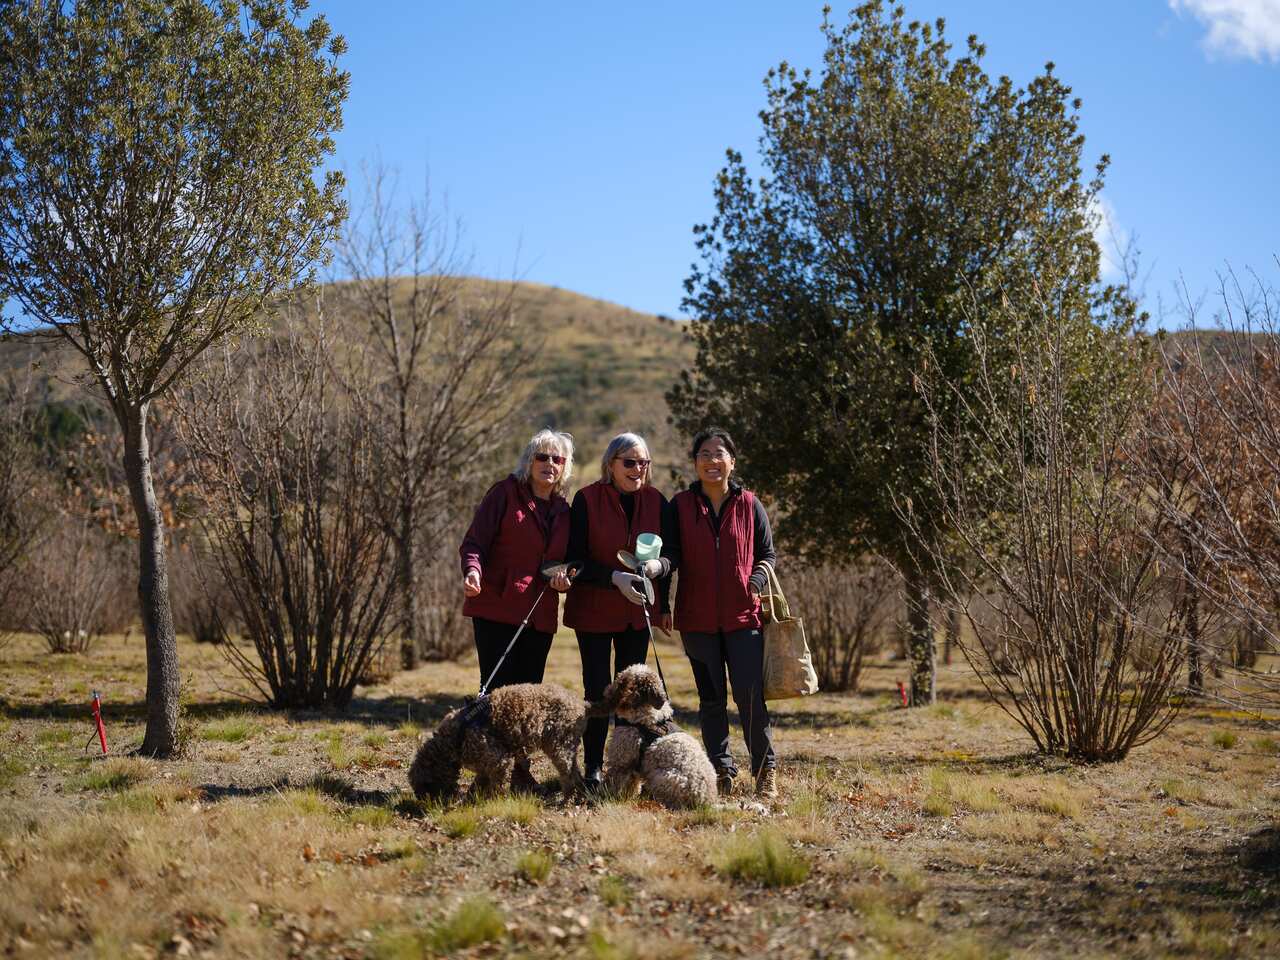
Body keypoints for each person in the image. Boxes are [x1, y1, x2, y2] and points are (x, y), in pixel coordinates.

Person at [663, 426, 778, 799]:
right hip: (696, 620)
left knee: (749, 697)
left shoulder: (750, 504)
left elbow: (767, 554)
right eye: (704, 454)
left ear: (732, 461)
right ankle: (721, 771)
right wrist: (662, 604)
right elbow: (670, 556)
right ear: (695, 462)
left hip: (743, 618)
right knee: (711, 701)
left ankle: (765, 771)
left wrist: (755, 582)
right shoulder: (680, 506)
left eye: (719, 454)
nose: (712, 460)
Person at [459, 429, 574, 793]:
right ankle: (489, 773)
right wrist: (472, 571)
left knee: (528, 698)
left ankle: (519, 772)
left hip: (539, 614)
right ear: (529, 461)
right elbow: (474, 541)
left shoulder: (564, 510)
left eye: (557, 459)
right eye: (543, 457)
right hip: (497, 607)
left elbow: (569, 560)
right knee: (496, 694)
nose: (550, 464)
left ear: (565, 466)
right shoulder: (504, 494)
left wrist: (566, 578)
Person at [563, 432, 671, 787]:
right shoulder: (586, 499)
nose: (637, 469)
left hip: (636, 614)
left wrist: (660, 579)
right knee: (597, 692)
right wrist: (614, 577)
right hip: (593, 610)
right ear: (611, 464)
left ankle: (624, 771)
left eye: (643, 462)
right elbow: (575, 559)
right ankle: (593, 769)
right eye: (629, 462)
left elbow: (671, 556)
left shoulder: (657, 501)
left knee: (632, 695)